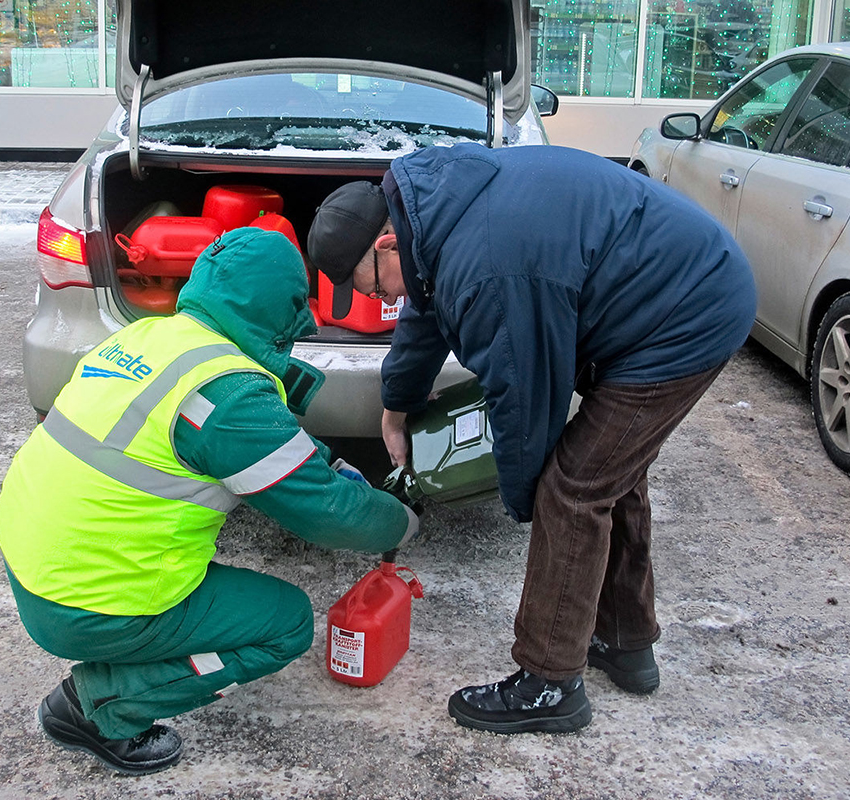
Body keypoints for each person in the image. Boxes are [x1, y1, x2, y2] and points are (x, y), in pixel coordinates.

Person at [308, 143, 756, 735]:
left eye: (367, 284)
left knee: (572, 489)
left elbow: (525, 402)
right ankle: (624, 641)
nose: (374, 300)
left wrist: (526, 501)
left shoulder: (489, 269)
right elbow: (424, 302)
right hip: (664, 290)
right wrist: (398, 405)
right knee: (610, 470)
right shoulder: (431, 209)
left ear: (385, 243)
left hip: (686, 315)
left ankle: (549, 684)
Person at [0, 227, 417, 774]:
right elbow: (326, 513)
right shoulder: (226, 393)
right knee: (285, 624)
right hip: (89, 601)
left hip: (35, 567)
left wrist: (328, 462)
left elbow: (253, 436)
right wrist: (399, 523)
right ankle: (101, 707)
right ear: (283, 312)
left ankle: (123, 655)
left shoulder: (149, 338)